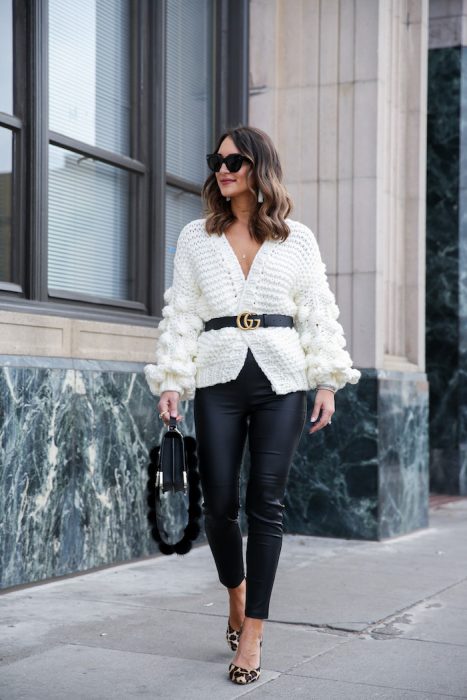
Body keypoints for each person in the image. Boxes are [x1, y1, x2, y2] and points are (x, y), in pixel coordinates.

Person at [144, 125, 361, 685]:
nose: (223, 168)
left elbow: (318, 312)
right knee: (218, 503)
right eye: (216, 160)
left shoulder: (297, 239)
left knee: (267, 503)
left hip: (281, 381)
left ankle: (254, 633)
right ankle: (235, 593)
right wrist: (171, 379)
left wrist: (328, 381)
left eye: (235, 160)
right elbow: (183, 313)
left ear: (258, 166)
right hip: (217, 376)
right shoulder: (196, 237)